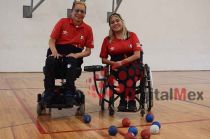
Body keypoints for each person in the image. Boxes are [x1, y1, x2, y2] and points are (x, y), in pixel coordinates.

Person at [44, 1, 94, 102]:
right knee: (50, 61)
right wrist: (54, 52)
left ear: (85, 14)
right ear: (71, 11)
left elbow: (88, 51)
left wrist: (77, 55)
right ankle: (49, 92)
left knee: (71, 61)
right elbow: (51, 41)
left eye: (82, 11)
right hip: (58, 52)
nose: (79, 13)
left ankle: (69, 91)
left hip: (73, 55)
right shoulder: (62, 22)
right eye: (77, 10)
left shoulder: (88, 29)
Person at [100, 13, 142, 112]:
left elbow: (137, 55)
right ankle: (123, 99)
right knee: (122, 71)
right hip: (116, 64)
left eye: (117, 20)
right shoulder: (107, 40)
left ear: (122, 21)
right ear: (110, 25)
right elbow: (103, 59)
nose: (115, 23)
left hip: (133, 62)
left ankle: (131, 100)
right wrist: (114, 63)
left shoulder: (132, 35)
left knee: (130, 71)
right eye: (112, 22)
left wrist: (122, 62)